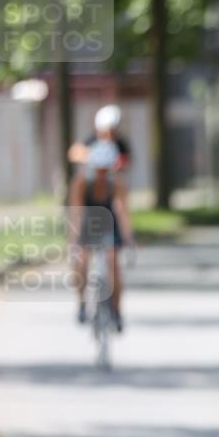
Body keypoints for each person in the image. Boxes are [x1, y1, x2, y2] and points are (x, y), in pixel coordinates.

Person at [68, 139, 135, 333]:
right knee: (81, 262)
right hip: (89, 220)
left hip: (108, 221)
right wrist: (74, 242)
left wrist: (129, 237)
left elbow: (122, 210)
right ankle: (81, 304)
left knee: (113, 264)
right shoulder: (82, 182)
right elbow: (76, 212)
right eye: (99, 169)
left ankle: (116, 311)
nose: (102, 174)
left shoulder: (117, 183)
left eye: (106, 169)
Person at [68, 104, 131, 171]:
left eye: (112, 132)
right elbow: (72, 153)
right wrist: (91, 158)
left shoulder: (119, 144)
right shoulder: (92, 141)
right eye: (106, 133)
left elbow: (126, 161)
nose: (109, 136)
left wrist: (118, 165)